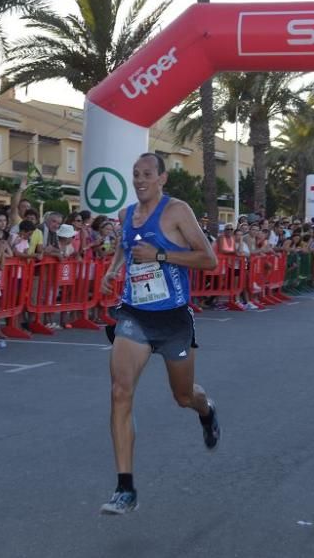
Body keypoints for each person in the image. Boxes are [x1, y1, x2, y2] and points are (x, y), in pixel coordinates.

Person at [98, 153, 220, 515]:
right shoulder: (125, 215)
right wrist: (113, 269)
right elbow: (125, 247)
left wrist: (162, 256)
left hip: (173, 320)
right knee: (120, 392)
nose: (140, 180)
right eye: (135, 174)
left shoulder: (177, 212)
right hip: (134, 314)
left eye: (147, 174)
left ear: (162, 178)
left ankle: (206, 409)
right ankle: (125, 488)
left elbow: (208, 259)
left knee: (183, 396)